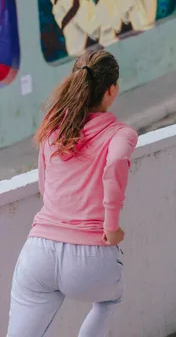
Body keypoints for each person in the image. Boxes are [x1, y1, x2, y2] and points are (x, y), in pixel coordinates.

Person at [7, 49, 138, 337]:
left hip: (39, 250)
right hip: (92, 257)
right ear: (111, 90)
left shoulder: (52, 127)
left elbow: (45, 184)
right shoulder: (121, 134)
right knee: (109, 299)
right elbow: (115, 163)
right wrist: (111, 226)